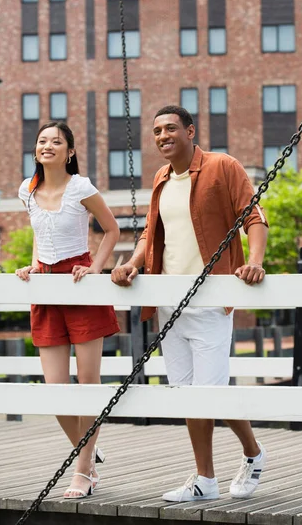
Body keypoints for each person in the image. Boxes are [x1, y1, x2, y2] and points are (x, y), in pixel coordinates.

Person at [111, 105, 269, 502]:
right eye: (157, 131)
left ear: (190, 131)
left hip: (212, 301)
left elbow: (254, 217)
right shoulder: (161, 178)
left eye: (170, 129)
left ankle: (236, 462)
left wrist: (254, 263)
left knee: (207, 394)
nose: (163, 136)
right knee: (189, 393)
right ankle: (214, 477)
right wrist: (131, 263)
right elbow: (151, 233)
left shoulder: (222, 166)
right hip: (169, 303)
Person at [16, 121, 120, 499]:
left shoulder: (81, 187)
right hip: (45, 290)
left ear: (69, 151)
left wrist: (94, 269)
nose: (48, 146)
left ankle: (83, 471)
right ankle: (87, 450)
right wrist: (32, 265)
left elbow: (111, 230)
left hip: (80, 288)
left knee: (87, 386)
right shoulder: (27, 190)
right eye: (42, 141)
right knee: (55, 391)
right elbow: (39, 237)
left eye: (56, 141)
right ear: (36, 150)